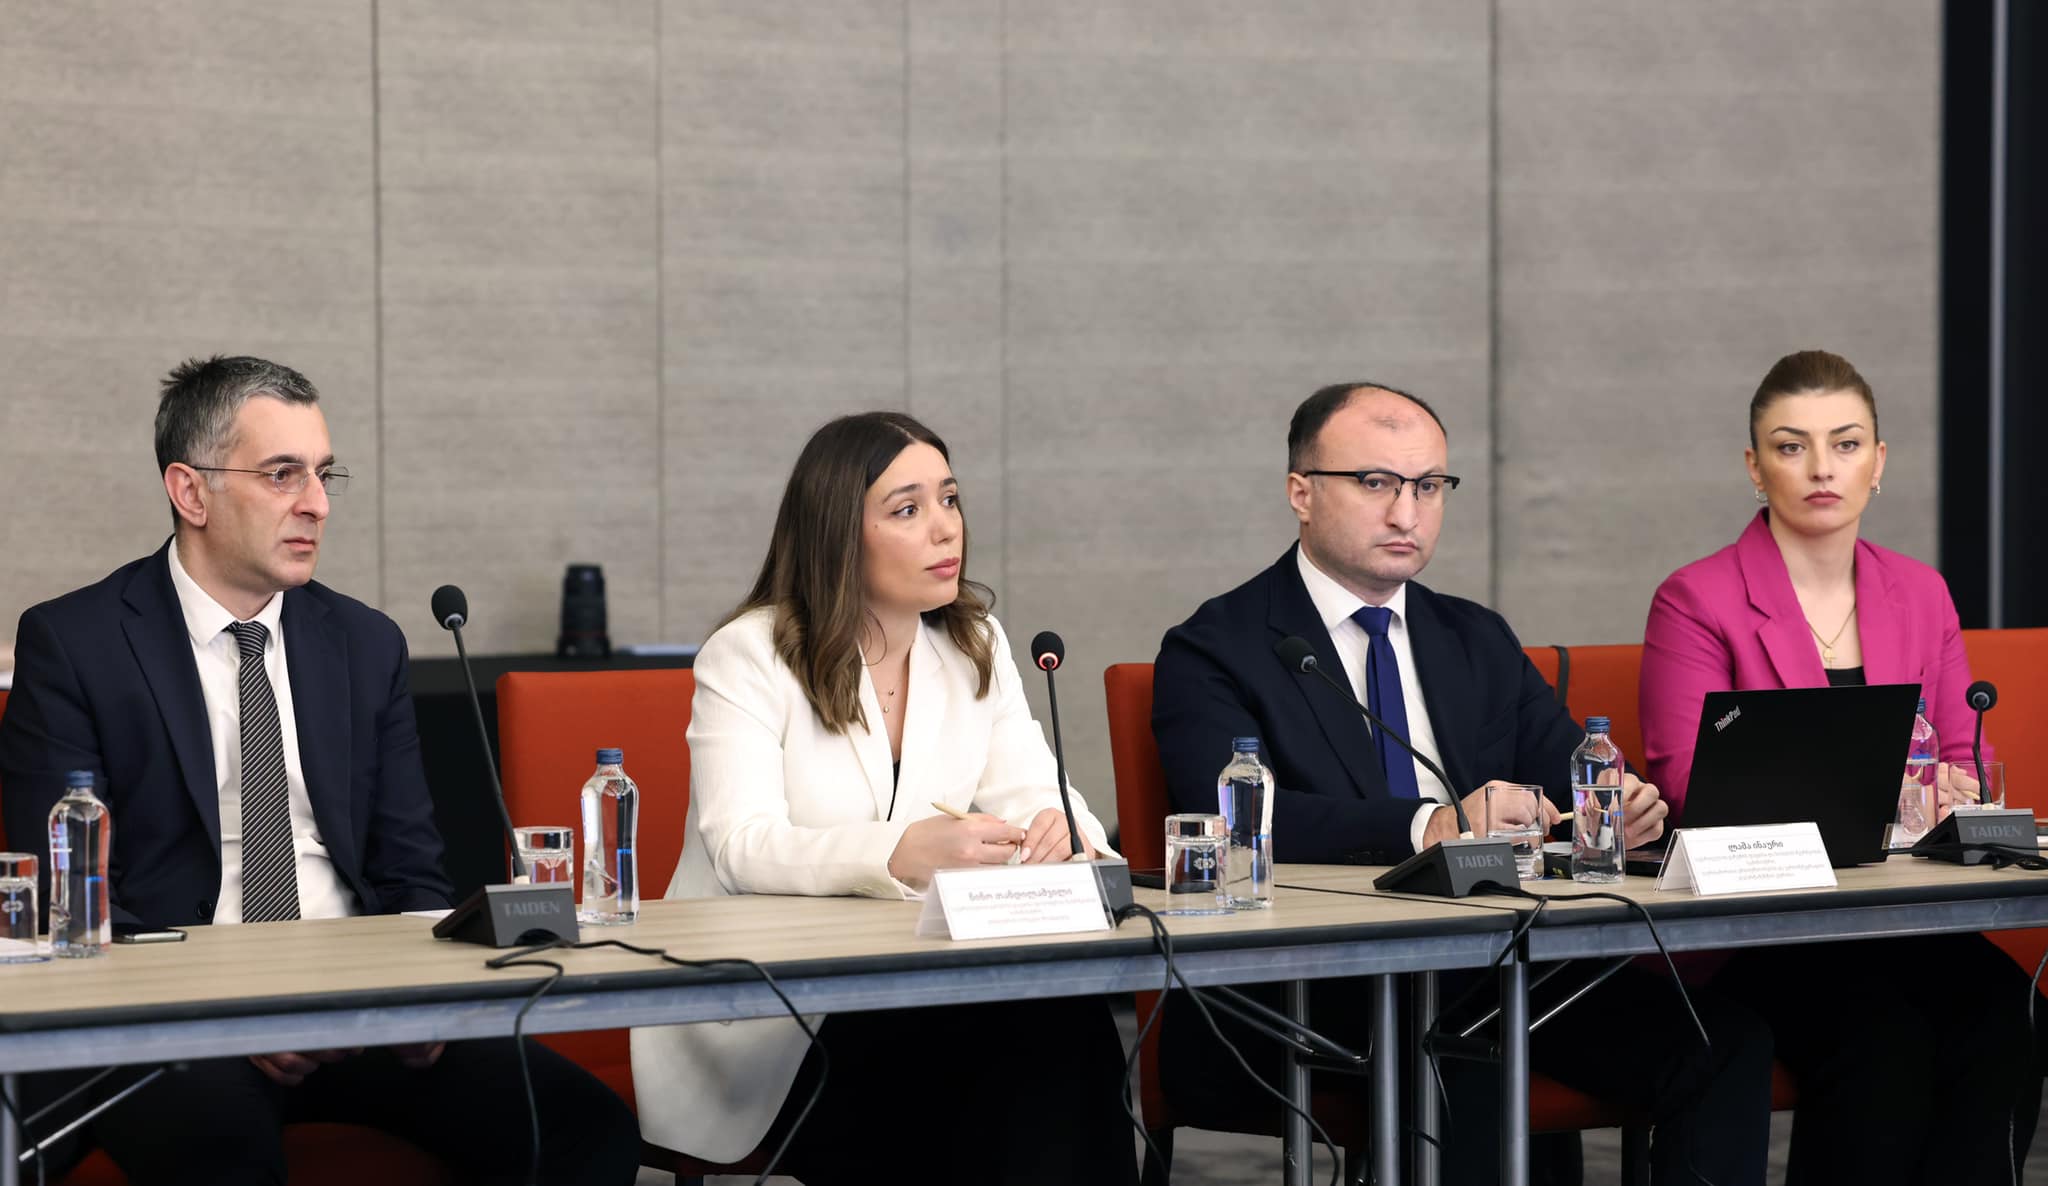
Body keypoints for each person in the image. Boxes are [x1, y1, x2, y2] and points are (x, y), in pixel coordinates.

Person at [0, 356, 640, 1186]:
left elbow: (410, 868)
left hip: (362, 1001)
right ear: (190, 492)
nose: (318, 503)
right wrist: (229, 1008)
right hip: (180, 1018)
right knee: (223, 1148)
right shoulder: (77, 643)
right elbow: (73, 899)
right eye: (282, 475)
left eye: (324, 474)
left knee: (583, 1128)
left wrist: (421, 994)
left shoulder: (364, 644)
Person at [1152, 382, 1774, 1184]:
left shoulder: (1474, 637)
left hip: (1501, 968)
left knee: (1722, 1043)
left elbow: (1570, 774)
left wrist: (1619, 807)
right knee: (1467, 1051)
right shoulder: (1215, 646)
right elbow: (1235, 823)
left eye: (1428, 486)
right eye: (1375, 483)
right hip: (1306, 985)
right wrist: (1432, 826)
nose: (1406, 513)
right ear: (1301, 492)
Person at [629, 411, 1135, 1186]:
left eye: (950, 499)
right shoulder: (751, 653)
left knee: (1061, 1018)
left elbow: (1036, 788)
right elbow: (741, 845)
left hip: (926, 983)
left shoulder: (974, 641)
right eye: (907, 509)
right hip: (777, 1010)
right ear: (839, 534)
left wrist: (1062, 832)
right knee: (993, 1059)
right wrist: (896, 852)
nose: (945, 528)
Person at [1640, 348, 2039, 1185]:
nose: (1822, 467)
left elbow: (1963, 758)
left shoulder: (1921, 592)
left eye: (1846, 443)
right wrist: (1902, 792)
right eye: (1792, 446)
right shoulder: (1697, 598)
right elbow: (1688, 787)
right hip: (1766, 930)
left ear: (1878, 462)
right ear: (1755, 467)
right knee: (1882, 1048)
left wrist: (1956, 787)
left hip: (1901, 915)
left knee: (2010, 1020)